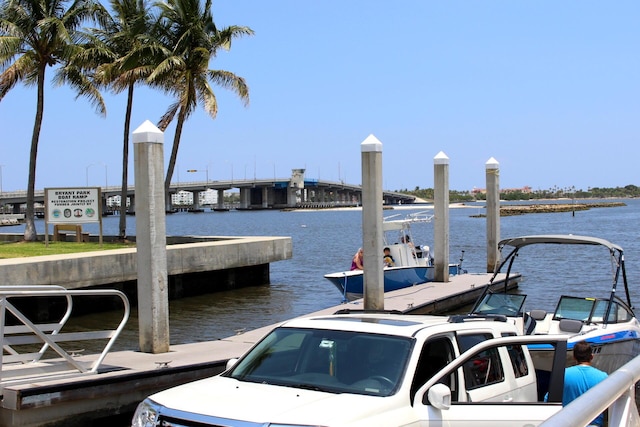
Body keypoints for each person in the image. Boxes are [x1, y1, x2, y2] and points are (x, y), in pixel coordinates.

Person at [563, 341, 608, 426]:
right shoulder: (603, 377)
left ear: (574, 357)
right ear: (591, 356)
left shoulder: (563, 374)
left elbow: (548, 399)